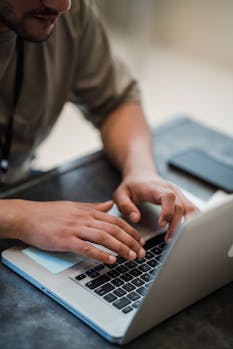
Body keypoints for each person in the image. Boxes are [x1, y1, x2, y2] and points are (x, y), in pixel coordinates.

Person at [0, 0, 198, 264]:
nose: (63, 6)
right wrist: (19, 217)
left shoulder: (71, 11)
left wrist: (140, 169)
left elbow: (115, 103)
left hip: (17, 182)